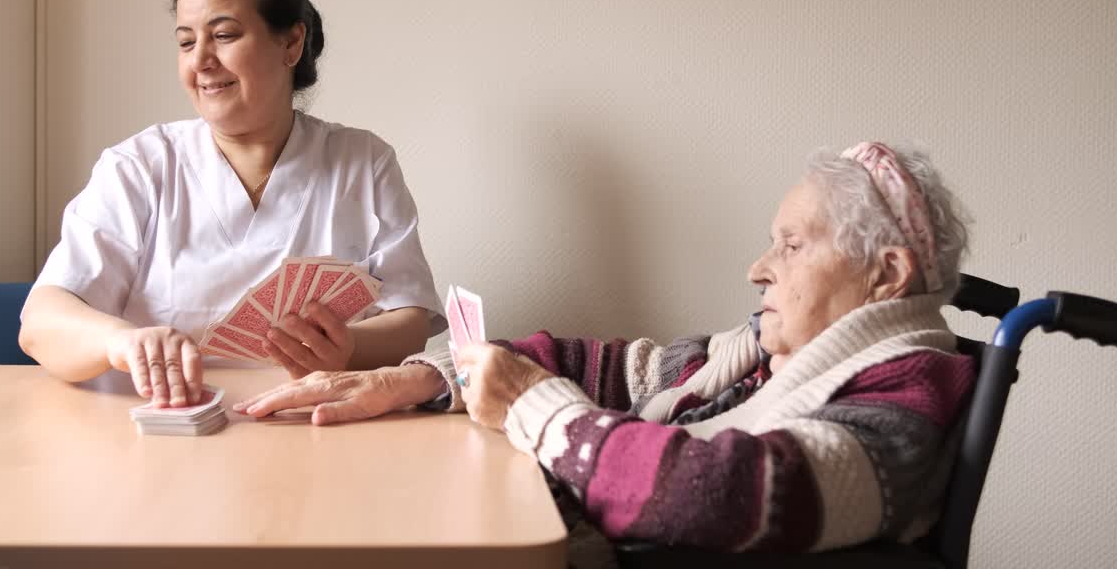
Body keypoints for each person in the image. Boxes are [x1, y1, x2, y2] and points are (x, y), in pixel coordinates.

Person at [235, 142, 978, 555]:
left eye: (790, 245)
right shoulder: (762, 361)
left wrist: (533, 406)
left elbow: (717, 496)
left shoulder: (904, 397)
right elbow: (600, 365)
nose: (759, 268)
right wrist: (421, 377)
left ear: (886, 276)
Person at [20, 0, 442, 409]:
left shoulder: (362, 161)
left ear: (290, 43)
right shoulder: (139, 166)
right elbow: (41, 324)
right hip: (159, 433)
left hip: (310, 425)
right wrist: (120, 342)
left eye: (223, 35)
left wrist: (349, 350)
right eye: (185, 41)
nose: (200, 60)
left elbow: (410, 319)